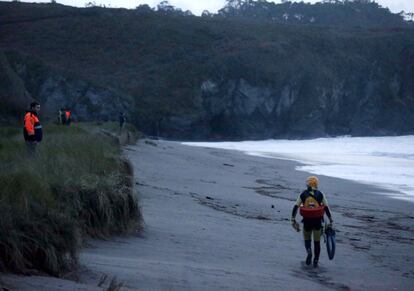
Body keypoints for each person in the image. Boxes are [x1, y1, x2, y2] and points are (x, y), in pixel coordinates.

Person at [291, 176, 333, 268]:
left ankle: (309, 252)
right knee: (317, 243)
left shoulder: (303, 194)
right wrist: (330, 219)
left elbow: (295, 207)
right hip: (318, 222)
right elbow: (326, 208)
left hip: (307, 221)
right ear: (316, 184)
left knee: (307, 240)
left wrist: (293, 219)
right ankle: (316, 261)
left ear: (308, 184)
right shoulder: (321, 194)